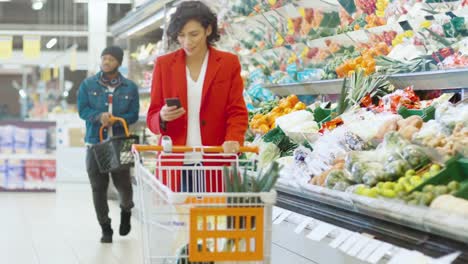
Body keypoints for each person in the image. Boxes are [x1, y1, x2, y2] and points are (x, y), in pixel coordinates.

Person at [146, 1, 248, 192]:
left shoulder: (228, 63)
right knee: (178, 220)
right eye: (181, 35)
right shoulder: (164, 65)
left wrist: (234, 138)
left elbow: (237, 111)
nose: (187, 42)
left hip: (215, 160)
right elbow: (151, 117)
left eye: (194, 34)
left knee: (213, 219)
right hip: (175, 162)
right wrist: (161, 116)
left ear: (208, 30)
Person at [77, 46, 140, 243]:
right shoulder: (88, 85)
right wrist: (98, 116)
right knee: (98, 187)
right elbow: (82, 111)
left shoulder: (130, 87)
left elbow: (134, 114)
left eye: (111, 59)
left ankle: (126, 210)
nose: (106, 62)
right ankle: (105, 227)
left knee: (124, 185)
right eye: (103, 58)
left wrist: (116, 119)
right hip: (95, 143)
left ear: (119, 63)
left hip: (121, 142)